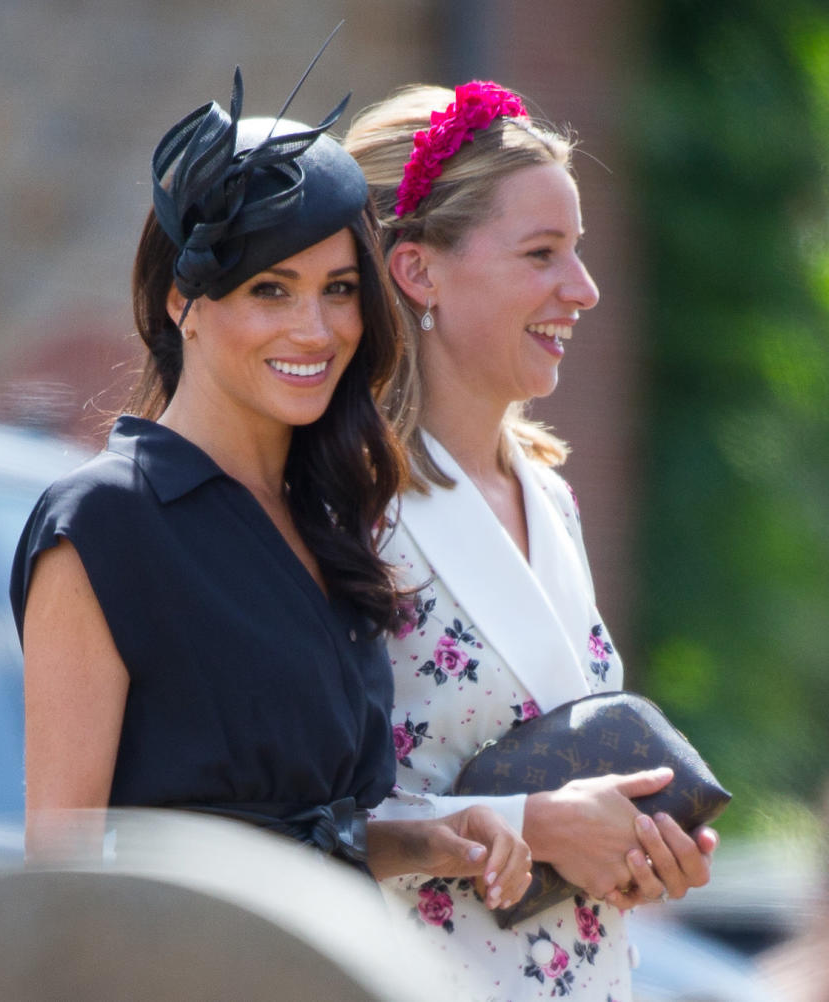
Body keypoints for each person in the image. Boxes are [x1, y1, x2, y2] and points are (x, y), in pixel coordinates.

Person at [9, 66, 532, 901]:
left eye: (340, 290)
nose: (314, 328)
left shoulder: (330, 517)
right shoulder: (104, 522)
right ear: (186, 300)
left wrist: (425, 836)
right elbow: (59, 873)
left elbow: (306, 829)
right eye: (270, 289)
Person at [344, 81, 719, 999]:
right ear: (418, 270)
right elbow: (299, 819)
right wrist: (539, 824)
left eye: (579, 253)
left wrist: (642, 846)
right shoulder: (347, 509)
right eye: (542, 255)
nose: (582, 291)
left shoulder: (552, 500)